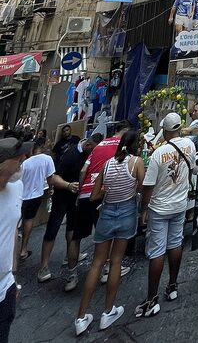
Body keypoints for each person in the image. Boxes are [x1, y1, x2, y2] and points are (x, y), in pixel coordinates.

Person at [75, 130, 145, 336]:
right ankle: (108, 311)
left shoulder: (108, 165)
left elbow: (94, 195)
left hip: (107, 212)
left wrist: (109, 189)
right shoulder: (136, 162)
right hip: (126, 212)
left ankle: (81, 316)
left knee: (97, 263)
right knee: (116, 261)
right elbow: (141, 188)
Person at [135, 114, 196, 318]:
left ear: (166, 130)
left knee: (157, 252)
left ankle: (152, 299)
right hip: (179, 204)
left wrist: (143, 210)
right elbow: (191, 170)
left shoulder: (158, 154)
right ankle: (172, 286)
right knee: (175, 244)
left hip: (159, 208)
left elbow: (148, 187)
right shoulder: (190, 146)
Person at [37, 136, 98, 284]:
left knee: (72, 228)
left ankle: (69, 257)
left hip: (75, 197)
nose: (93, 152)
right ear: (87, 144)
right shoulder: (71, 155)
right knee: (53, 228)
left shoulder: (88, 154)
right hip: (62, 196)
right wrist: (68, 185)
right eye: (92, 149)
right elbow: (54, 178)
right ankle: (44, 266)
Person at [0, 138, 32, 343]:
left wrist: (12, 276)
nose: (24, 158)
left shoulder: (17, 187)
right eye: (18, 156)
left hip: (5, 288)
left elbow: (12, 229)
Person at [19, 141, 55, 261]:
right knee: (28, 220)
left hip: (20, 196)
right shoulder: (47, 159)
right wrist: (51, 190)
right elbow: (51, 178)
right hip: (35, 195)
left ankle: (14, 250)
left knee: (16, 224)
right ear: (43, 146)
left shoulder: (25, 162)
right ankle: (23, 249)